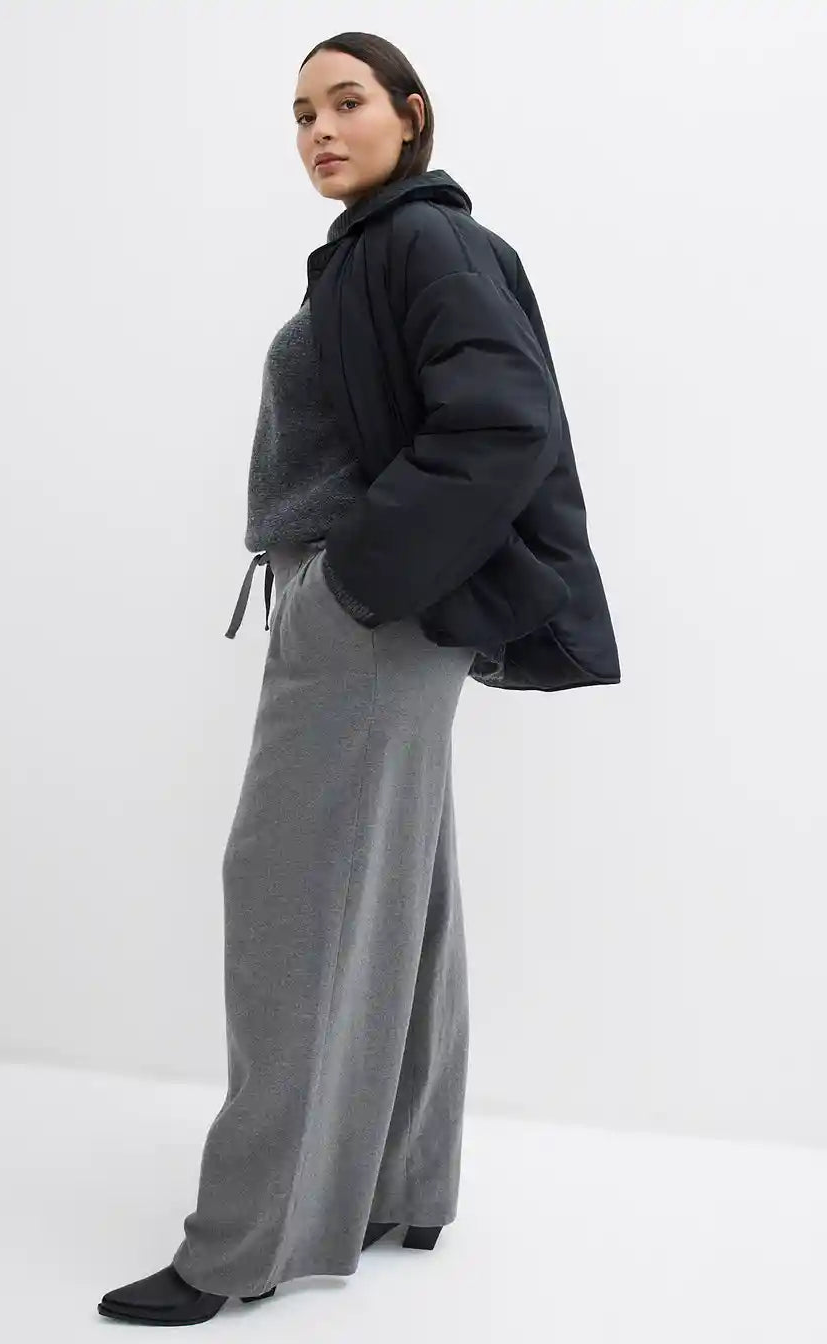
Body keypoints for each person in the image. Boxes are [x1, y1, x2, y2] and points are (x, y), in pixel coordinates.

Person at [99, 28, 618, 1328]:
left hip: (370, 616)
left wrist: (353, 584)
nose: (320, 130)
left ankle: (241, 1247)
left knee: (286, 900)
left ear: (411, 114)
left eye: (346, 103)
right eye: (301, 114)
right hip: (378, 611)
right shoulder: (385, 247)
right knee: (398, 896)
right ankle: (403, 1182)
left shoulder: (423, 240)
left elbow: (501, 422)